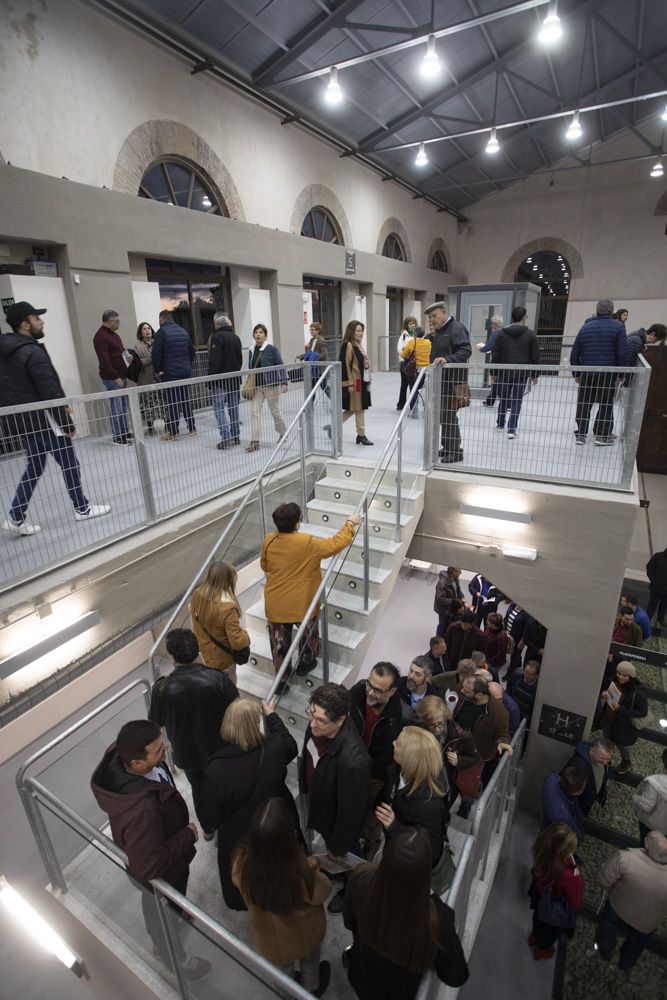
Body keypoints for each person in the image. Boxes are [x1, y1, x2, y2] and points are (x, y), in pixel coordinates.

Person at [91, 720, 210, 981]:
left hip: (172, 860)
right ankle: (172, 956)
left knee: (174, 898)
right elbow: (147, 867)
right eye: (158, 750)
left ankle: (174, 916)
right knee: (159, 910)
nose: (165, 749)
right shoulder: (141, 811)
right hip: (161, 874)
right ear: (136, 763)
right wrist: (187, 835)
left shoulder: (133, 761)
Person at [1, 301, 110, 535]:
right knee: (70, 464)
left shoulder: (6, 351)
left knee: (35, 467)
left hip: (25, 423)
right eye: (36, 318)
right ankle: (82, 508)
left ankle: (15, 516)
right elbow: (49, 390)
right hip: (46, 421)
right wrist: (66, 423)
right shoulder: (32, 351)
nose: (41, 321)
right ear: (24, 324)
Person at [342, 827, 469, 999]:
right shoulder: (437, 919)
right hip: (400, 992)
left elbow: (349, 922)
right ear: (424, 871)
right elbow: (456, 976)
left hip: (361, 976)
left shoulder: (360, 878)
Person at [200, 697, 298, 910]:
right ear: (256, 724)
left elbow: (212, 817)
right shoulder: (275, 748)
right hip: (276, 820)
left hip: (240, 833)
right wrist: (271, 715)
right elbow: (290, 744)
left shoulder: (215, 768)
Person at [232, 797, 331, 997]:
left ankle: (287, 994)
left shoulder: (240, 864)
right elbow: (322, 892)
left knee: (281, 974)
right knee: (310, 963)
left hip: (269, 940)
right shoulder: (301, 872)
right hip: (304, 936)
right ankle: (311, 988)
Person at [261, 502, 361, 692]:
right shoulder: (308, 543)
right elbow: (335, 544)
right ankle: (305, 663)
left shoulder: (269, 540)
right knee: (309, 636)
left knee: (279, 644)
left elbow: (264, 566)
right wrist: (350, 523)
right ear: (297, 523)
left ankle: (281, 682)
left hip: (276, 604)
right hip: (303, 603)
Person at [148, 628, 238, 830]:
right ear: (197, 652)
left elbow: (155, 721)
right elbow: (237, 709)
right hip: (220, 748)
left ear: (172, 658)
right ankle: (229, 822)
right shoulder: (218, 679)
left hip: (187, 755)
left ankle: (208, 827)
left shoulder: (162, 688)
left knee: (198, 789)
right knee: (224, 785)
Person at [300, 683, 371, 913]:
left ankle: (354, 889)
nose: (312, 724)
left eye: (321, 720)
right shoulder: (317, 728)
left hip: (337, 824)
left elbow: (350, 814)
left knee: (349, 857)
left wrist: (339, 847)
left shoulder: (353, 762)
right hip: (322, 803)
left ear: (340, 720)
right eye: (312, 713)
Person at [376, 727, 452, 894]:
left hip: (408, 867)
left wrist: (394, 826)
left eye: (399, 743)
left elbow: (427, 849)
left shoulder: (430, 804)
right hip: (393, 851)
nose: (393, 743)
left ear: (410, 758)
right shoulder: (395, 771)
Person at [349, 662, 404, 860]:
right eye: (369, 685)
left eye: (379, 691)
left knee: (373, 820)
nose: (371, 693)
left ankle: (368, 855)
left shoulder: (400, 717)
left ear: (392, 692)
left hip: (377, 776)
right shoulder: (357, 691)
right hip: (353, 766)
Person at [596, 831, 667, 968]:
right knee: (637, 943)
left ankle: (605, 950)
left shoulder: (626, 858)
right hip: (647, 921)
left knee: (608, 926)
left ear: (646, 844)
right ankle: (626, 963)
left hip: (618, 907)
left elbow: (603, 880)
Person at [569, 299, 627, 446]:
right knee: (605, 404)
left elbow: (575, 352)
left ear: (597, 309)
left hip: (587, 373)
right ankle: (601, 435)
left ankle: (581, 434)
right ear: (612, 311)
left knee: (584, 403)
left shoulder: (586, 327)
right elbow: (622, 353)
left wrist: (576, 373)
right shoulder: (619, 327)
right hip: (608, 374)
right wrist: (622, 374)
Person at [424, 299, 472, 464]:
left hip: (452, 382)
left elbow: (466, 350)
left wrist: (447, 359)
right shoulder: (439, 331)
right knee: (444, 416)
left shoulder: (456, 328)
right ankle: (447, 447)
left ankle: (455, 451)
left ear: (444, 312)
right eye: (430, 317)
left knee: (449, 416)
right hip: (441, 382)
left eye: (434, 315)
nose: (432, 319)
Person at [528, 823, 583, 961]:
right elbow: (575, 901)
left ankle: (534, 936)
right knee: (551, 931)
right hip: (554, 905)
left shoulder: (541, 850)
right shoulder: (568, 874)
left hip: (540, 894)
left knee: (538, 917)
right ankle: (542, 950)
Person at [190, 561, 250, 686]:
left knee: (215, 685)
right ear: (226, 581)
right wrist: (246, 636)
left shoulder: (197, 594)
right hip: (224, 659)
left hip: (205, 652)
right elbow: (237, 642)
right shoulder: (227, 608)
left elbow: (195, 625)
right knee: (229, 686)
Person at [413, 696, 479, 807]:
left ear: (446, 717)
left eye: (440, 723)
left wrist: (458, 761)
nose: (437, 729)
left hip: (445, 786)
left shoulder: (460, 735)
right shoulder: (417, 729)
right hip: (421, 782)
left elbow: (474, 758)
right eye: (432, 725)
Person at [453, 675, 512, 790]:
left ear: (479, 695)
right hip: (457, 747)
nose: (461, 691)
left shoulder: (498, 712)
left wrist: (502, 741)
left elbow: (502, 731)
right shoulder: (464, 690)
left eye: (466, 691)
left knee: (468, 785)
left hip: (476, 755)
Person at [491, 305, 539, 439]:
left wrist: (493, 372)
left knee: (504, 399)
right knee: (517, 400)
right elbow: (535, 356)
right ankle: (512, 429)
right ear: (524, 318)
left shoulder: (501, 334)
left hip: (504, 372)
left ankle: (500, 424)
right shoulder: (530, 335)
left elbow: (496, 354)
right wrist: (535, 374)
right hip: (521, 374)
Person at [152, 309, 196, 441]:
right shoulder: (183, 331)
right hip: (185, 372)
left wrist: (158, 370)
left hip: (170, 373)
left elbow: (156, 354)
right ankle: (192, 428)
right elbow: (192, 352)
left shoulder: (161, 332)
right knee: (185, 400)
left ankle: (174, 432)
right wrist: (187, 365)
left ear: (161, 320)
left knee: (173, 402)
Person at [600, 660, 648, 774]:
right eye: (619, 673)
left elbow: (642, 712)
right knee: (607, 740)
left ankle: (626, 761)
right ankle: (605, 759)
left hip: (624, 726)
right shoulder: (614, 680)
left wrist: (620, 709)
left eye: (624, 675)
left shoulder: (639, 693)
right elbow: (607, 690)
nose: (620, 677)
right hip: (609, 719)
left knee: (621, 745)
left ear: (631, 676)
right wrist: (604, 693)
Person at [246, 323, 288, 452]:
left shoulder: (271, 349)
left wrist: (284, 381)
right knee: (254, 412)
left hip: (271, 385)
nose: (258, 334)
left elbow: (280, 364)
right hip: (257, 387)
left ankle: (283, 433)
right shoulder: (251, 350)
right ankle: (255, 441)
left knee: (274, 411)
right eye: (256, 332)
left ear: (265, 335)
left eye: (260, 332)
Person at [93, 308, 132, 445]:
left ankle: (124, 431)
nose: (119, 323)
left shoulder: (114, 334)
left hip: (121, 375)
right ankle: (117, 436)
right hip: (113, 378)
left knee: (123, 405)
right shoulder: (101, 337)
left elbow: (119, 352)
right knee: (117, 407)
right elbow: (104, 360)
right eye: (117, 321)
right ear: (110, 321)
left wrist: (128, 358)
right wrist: (116, 376)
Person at [208, 311, 242, 449]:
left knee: (218, 408)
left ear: (216, 324)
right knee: (234, 409)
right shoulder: (236, 337)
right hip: (234, 379)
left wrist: (210, 380)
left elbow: (215, 361)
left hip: (221, 380)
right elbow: (240, 359)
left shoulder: (217, 337)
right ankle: (236, 436)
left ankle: (226, 437)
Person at [339, 320, 373, 446]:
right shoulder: (348, 345)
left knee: (357, 408)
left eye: (361, 331)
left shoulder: (358, 345)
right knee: (358, 408)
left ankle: (359, 434)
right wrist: (349, 384)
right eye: (357, 331)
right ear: (351, 331)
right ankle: (361, 435)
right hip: (355, 382)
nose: (360, 333)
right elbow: (345, 365)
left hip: (361, 380)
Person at [564, 736, 614, 817]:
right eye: (601, 758)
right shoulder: (578, 765)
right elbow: (568, 791)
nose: (605, 763)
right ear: (591, 750)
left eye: (608, 759)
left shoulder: (602, 761)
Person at [541, 767, 586, 845]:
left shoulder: (551, 779)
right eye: (582, 789)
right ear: (575, 792)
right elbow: (572, 836)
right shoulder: (562, 816)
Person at [631, 747, 667, 844]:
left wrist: (635, 798)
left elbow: (645, 806)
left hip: (650, 826)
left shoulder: (654, 782)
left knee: (645, 847)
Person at [135, 321, 159, 435]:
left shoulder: (158, 342)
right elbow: (138, 362)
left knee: (162, 402)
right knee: (148, 404)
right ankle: (151, 427)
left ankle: (168, 424)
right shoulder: (138, 346)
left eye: (148, 328)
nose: (147, 330)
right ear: (141, 332)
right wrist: (152, 358)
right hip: (146, 378)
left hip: (159, 378)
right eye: (144, 329)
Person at [400, 324, 430, 414]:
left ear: (415, 334)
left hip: (414, 369)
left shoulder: (412, 342)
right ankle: (425, 410)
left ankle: (414, 412)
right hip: (425, 369)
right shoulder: (428, 342)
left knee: (413, 389)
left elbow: (402, 355)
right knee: (420, 389)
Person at [476, 313, 504, 406]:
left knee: (497, 381)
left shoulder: (497, 332)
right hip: (505, 361)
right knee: (498, 382)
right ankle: (490, 400)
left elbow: (488, 346)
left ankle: (507, 403)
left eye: (492, 324)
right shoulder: (506, 331)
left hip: (497, 361)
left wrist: (481, 348)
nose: (491, 326)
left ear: (496, 324)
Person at [434, 566, 464, 638]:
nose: (460, 573)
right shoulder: (442, 583)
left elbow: (458, 590)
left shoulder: (455, 578)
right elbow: (440, 598)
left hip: (451, 607)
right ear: (453, 571)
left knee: (449, 624)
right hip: (443, 609)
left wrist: (462, 596)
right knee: (442, 625)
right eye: (459, 571)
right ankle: (439, 640)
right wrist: (454, 601)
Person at [507, 660, 540, 727]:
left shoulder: (538, 689)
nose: (526, 676)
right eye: (526, 672)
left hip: (523, 719)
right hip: (511, 713)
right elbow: (509, 687)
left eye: (530, 675)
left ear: (536, 675)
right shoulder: (517, 676)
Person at [396, 316, 418, 409]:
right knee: (404, 384)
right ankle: (401, 404)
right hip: (404, 363)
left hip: (413, 364)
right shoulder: (403, 336)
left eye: (413, 323)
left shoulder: (417, 335)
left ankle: (412, 406)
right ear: (406, 325)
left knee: (412, 385)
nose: (412, 325)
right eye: (410, 323)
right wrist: (407, 354)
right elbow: (400, 349)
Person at [646, 547, 667, 627]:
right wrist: (653, 580)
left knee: (664, 605)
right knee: (652, 604)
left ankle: (660, 618)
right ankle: (647, 618)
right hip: (655, 587)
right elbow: (649, 568)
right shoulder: (658, 556)